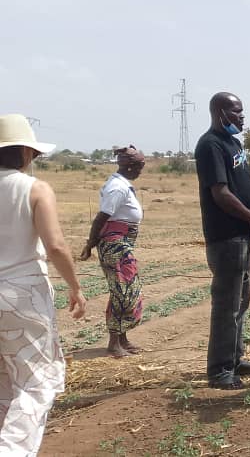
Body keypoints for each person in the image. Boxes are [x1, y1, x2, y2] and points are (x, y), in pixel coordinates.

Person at [0, 113, 87, 455]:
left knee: (4, 384)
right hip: (22, 295)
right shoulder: (35, 189)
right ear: (26, 152)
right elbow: (56, 246)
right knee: (36, 384)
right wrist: (75, 287)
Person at [194, 92, 250, 390]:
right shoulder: (210, 145)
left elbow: (245, 184)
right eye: (236, 111)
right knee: (227, 305)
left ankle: (235, 359)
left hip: (241, 235)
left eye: (241, 111)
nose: (241, 116)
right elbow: (222, 194)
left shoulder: (234, 144)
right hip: (225, 236)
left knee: (241, 300)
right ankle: (219, 370)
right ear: (220, 112)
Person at [79, 145, 146, 358]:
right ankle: (114, 344)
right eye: (139, 167)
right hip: (115, 244)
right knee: (123, 290)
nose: (140, 172)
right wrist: (90, 244)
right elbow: (101, 217)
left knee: (125, 289)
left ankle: (122, 339)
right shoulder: (117, 188)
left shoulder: (121, 184)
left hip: (121, 242)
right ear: (129, 167)